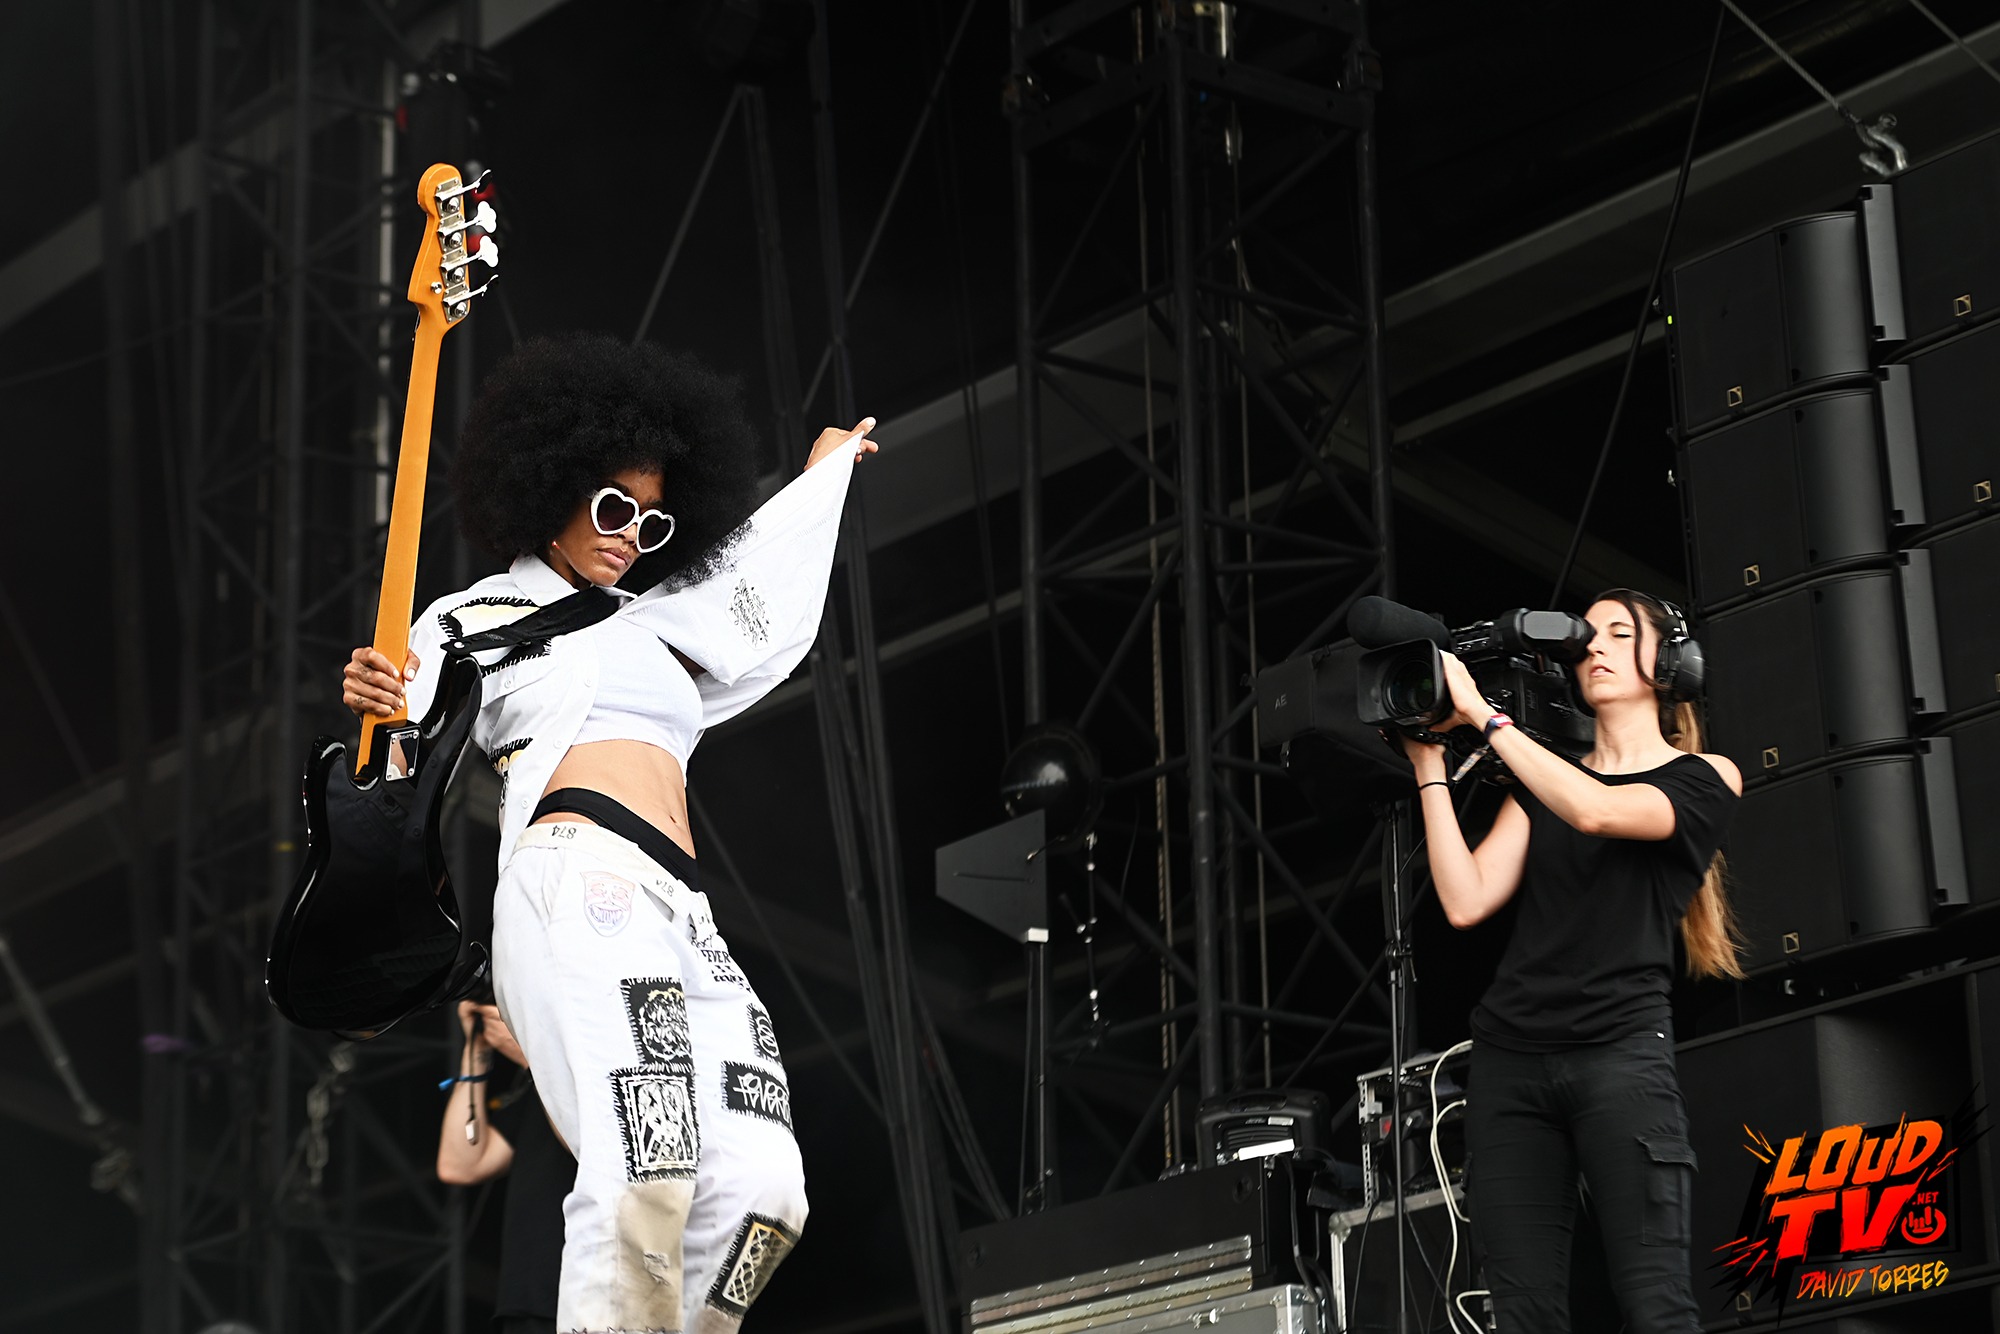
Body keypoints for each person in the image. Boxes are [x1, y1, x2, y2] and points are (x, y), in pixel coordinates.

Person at [342, 333, 876, 1334]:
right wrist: (382, 702)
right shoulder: (477, 615)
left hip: (681, 908)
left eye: (652, 515)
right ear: (548, 486)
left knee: (766, 1191)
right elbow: (391, 759)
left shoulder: (657, 623)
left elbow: (760, 602)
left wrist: (819, 480)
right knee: (646, 1161)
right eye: (612, 506)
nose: (633, 532)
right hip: (578, 881)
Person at [1402, 589, 1744, 1334]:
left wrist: (1488, 722)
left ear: (1671, 664)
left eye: (1620, 633)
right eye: (1588, 635)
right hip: (1509, 1063)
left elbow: (1598, 810)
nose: (1595, 645)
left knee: (1656, 1305)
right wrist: (1430, 767)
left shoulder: (1705, 776)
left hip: (1620, 1058)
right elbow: (1464, 900)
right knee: (1523, 1314)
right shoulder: (1542, 785)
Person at [436, 999, 573, 1334]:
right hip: (527, 1301)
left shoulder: (585, 1080)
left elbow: (593, 1142)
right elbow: (462, 1164)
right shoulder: (539, 1088)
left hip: (585, 1298)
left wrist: (536, 1059)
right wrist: (476, 1047)